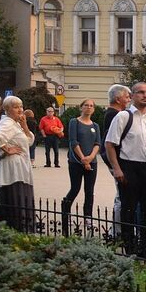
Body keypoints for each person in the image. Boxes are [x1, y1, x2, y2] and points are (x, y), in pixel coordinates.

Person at [106, 82, 146, 257]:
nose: (145, 96)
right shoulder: (123, 116)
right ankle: (129, 247)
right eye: (140, 92)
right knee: (128, 208)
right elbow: (109, 144)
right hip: (129, 166)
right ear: (133, 96)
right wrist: (117, 168)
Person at [0, 96, 35, 232]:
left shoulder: (15, 123)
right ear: (7, 109)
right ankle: (17, 229)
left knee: (22, 197)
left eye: (21, 106)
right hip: (13, 170)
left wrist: (24, 126)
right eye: (15, 107)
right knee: (15, 198)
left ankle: (23, 228)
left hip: (20, 169)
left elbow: (29, 141)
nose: (20, 109)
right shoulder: (7, 123)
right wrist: (7, 149)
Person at [64, 99, 102, 232]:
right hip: (76, 161)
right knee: (75, 188)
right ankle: (66, 211)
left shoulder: (95, 126)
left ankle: (88, 216)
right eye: (86, 105)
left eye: (91, 106)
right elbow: (73, 142)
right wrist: (83, 159)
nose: (89, 108)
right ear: (81, 107)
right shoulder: (74, 122)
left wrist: (91, 157)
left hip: (92, 162)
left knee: (89, 191)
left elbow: (98, 143)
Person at [102, 84, 131, 234]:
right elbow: (110, 143)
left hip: (118, 162)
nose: (128, 100)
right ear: (118, 99)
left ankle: (118, 230)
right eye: (126, 97)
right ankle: (117, 231)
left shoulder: (113, 113)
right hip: (118, 162)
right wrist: (116, 166)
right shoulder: (114, 115)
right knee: (121, 196)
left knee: (121, 196)